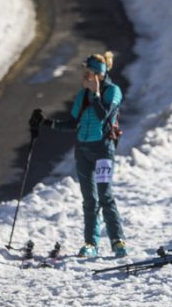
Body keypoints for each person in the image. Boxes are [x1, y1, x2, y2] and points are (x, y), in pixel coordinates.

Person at [29, 51, 129, 258]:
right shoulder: (82, 95)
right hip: (83, 151)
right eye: (85, 72)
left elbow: (104, 116)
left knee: (105, 196)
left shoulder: (113, 92)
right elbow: (73, 123)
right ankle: (90, 243)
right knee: (89, 199)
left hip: (103, 150)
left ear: (99, 75)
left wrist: (97, 94)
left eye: (88, 73)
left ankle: (117, 241)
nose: (84, 77)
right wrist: (46, 123)